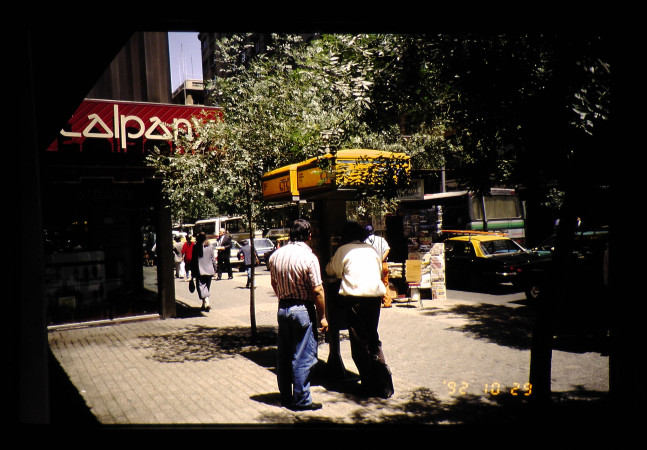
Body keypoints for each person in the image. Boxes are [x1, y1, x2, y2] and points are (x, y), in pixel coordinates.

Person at [326, 221, 394, 399]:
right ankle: (383, 383)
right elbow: (379, 271)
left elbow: (332, 271)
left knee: (359, 342)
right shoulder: (371, 250)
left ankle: (368, 384)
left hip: (355, 300)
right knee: (373, 337)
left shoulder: (343, 250)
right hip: (374, 299)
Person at [268, 219, 328, 411]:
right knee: (303, 356)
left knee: (284, 355)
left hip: (283, 309)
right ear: (309, 235)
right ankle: (302, 400)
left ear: (290, 234)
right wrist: (322, 316)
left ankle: (285, 396)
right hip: (303, 309)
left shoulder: (276, 255)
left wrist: (284, 296)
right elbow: (317, 290)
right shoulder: (309, 258)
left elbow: (274, 283)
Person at [364, 225, 392, 308]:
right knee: (385, 283)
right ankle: (387, 302)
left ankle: (376, 304)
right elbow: (387, 249)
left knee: (374, 284)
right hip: (383, 264)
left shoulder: (365, 241)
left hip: (371, 265)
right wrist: (381, 259)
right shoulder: (381, 239)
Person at [191, 232, 217, 312]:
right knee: (206, 287)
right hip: (209, 270)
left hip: (200, 271)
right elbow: (213, 259)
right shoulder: (210, 246)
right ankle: (203, 304)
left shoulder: (195, 247)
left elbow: (194, 260)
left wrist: (192, 271)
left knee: (201, 287)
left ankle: (207, 304)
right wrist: (215, 268)